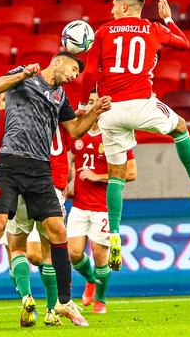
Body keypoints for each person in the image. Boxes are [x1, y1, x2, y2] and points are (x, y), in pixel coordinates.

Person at [78, 0, 190, 271]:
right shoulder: (153, 28)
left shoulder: (103, 32)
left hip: (110, 110)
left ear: (126, 7)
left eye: (115, 6)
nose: (111, 10)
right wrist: (168, 20)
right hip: (142, 104)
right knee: (180, 127)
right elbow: (184, 44)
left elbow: (90, 73)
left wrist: (85, 105)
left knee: (116, 175)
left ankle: (114, 234)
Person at [0, 51, 111, 327]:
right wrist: (22, 74)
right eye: (72, 68)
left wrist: (95, 111)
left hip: (40, 169)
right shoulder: (25, 75)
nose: (73, 76)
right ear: (58, 61)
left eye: (76, 73)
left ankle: (65, 301)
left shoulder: (61, 97)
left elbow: (75, 131)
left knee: (58, 230)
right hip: (11, 164)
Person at [0, 99, 70, 327]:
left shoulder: (0, 127)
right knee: (46, 252)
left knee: (17, 249)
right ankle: (51, 309)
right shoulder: (41, 119)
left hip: (17, 186)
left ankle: (27, 298)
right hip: (45, 187)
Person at [67, 89, 137, 314]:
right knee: (74, 254)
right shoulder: (78, 134)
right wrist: (69, 183)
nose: (93, 105)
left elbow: (132, 173)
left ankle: (101, 300)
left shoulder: (116, 135)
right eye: (89, 102)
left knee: (99, 255)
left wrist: (98, 177)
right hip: (79, 204)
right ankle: (90, 280)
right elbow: (71, 162)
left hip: (103, 207)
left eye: (97, 102)